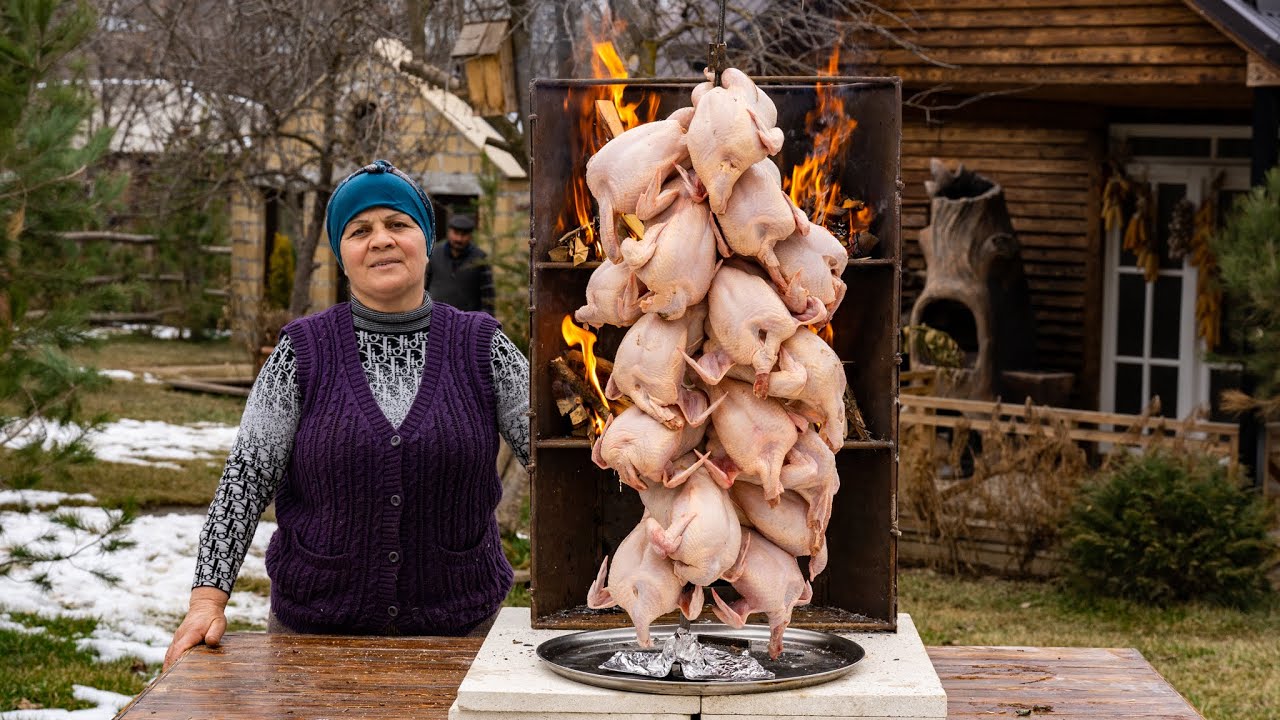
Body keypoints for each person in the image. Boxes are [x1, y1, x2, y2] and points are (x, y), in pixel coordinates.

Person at [164, 160, 529, 670]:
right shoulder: (299, 353)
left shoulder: (485, 347)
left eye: (398, 224)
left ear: (425, 240)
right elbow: (244, 481)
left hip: (463, 637)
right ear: (342, 254)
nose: (381, 239)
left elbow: (559, 467)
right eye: (360, 230)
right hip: (313, 641)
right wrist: (208, 599)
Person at [425, 213, 495, 314]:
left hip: (468, 322)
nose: (459, 239)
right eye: (456, 233)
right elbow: (423, 288)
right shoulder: (434, 253)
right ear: (449, 232)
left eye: (464, 234)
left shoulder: (480, 258)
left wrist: (485, 323)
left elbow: (489, 298)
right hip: (436, 318)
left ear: (470, 235)